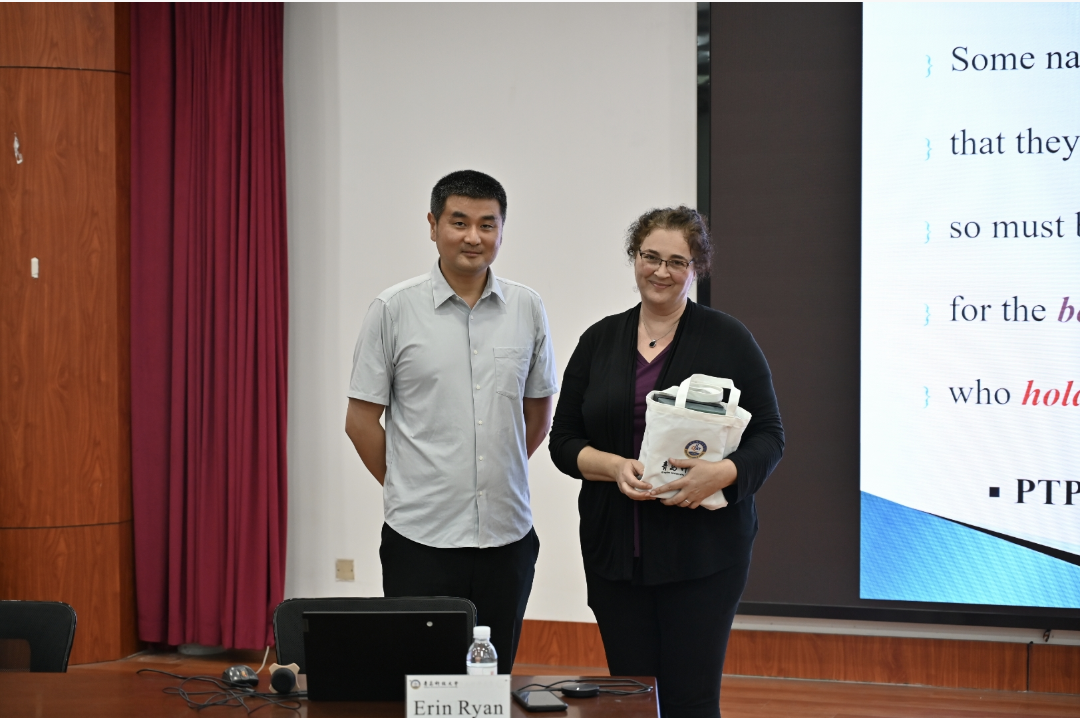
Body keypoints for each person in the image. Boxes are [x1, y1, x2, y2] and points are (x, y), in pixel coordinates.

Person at [548, 206, 784, 717]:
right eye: (650, 257)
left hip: (704, 557)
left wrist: (723, 474)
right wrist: (614, 466)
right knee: (630, 698)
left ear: (696, 268)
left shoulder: (729, 339)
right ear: (634, 257)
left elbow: (770, 435)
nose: (661, 271)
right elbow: (563, 441)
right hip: (615, 556)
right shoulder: (597, 341)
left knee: (690, 701)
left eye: (677, 261)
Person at [345, 170, 559, 674]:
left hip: (507, 537)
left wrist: (490, 471)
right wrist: (409, 482)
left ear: (502, 230)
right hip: (420, 538)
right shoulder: (393, 309)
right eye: (459, 222)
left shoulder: (527, 308)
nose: (473, 237)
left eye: (487, 224)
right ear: (433, 225)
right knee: (423, 681)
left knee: (492, 679)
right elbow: (360, 421)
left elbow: (537, 413)